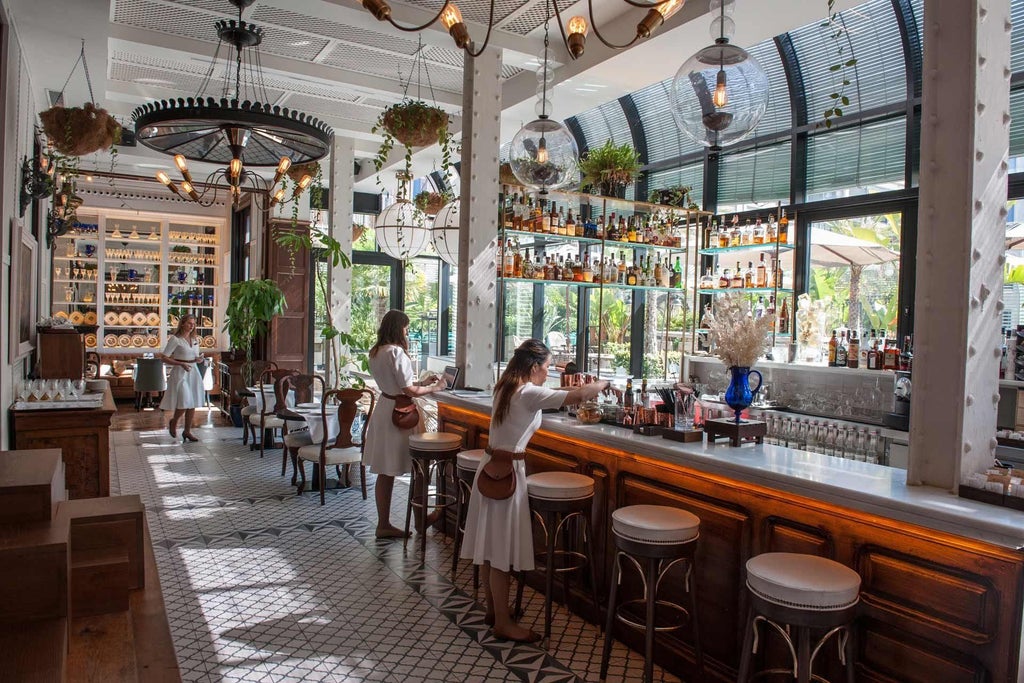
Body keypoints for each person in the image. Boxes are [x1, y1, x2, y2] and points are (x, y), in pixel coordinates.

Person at [460, 339, 609, 642]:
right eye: (545, 368)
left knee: (490, 549)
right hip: (508, 474)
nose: (547, 374)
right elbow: (577, 395)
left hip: (489, 468)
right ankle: (503, 622)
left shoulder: (506, 385)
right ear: (533, 367)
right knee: (499, 551)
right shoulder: (527, 392)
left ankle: (494, 611)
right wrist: (603, 382)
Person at [364, 310, 446, 538]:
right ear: (399, 328)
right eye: (406, 328)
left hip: (385, 409)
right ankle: (420, 520)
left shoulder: (377, 352)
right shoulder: (397, 353)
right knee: (417, 468)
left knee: (385, 470)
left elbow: (397, 384)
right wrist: (434, 388)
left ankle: (383, 523)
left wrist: (421, 382)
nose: (408, 332)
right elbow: (408, 390)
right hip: (400, 414)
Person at [159, 313, 207, 442]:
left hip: (193, 371)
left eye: (193, 324)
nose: (192, 326)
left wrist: (198, 359)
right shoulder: (175, 339)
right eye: (189, 323)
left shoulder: (195, 339)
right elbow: (164, 357)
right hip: (180, 372)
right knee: (185, 401)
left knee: (192, 403)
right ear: (183, 324)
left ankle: (187, 431)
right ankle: (174, 421)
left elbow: (194, 356)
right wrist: (180, 363)